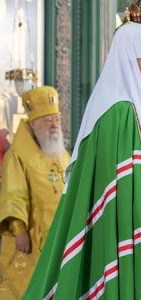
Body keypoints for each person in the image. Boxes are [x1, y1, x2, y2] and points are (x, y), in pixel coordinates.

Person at [23, 22, 141, 299]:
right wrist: (139, 225)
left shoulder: (131, 109)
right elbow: (119, 184)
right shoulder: (120, 112)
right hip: (126, 228)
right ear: (127, 63)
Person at [0, 86, 70, 299]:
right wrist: (18, 229)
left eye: (57, 119)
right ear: (34, 125)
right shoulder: (18, 155)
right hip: (31, 236)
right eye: (48, 120)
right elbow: (14, 192)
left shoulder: (61, 154)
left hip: (61, 237)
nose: (54, 125)